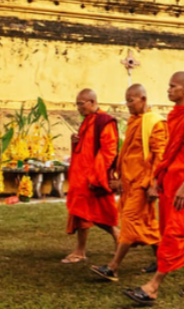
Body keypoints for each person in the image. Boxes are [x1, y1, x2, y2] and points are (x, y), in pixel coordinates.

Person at [124, 72, 184, 305]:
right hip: (173, 182)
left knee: (175, 231)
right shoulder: (175, 115)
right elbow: (171, 153)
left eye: (173, 86)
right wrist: (159, 179)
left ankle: (153, 286)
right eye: (169, 86)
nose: (168, 90)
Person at [91, 84, 167, 281]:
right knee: (147, 225)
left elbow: (160, 156)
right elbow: (128, 153)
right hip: (130, 182)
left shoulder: (155, 123)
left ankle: (113, 267)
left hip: (143, 183)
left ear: (143, 98)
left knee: (130, 222)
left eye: (131, 100)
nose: (128, 105)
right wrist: (118, 173)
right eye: (126, 101)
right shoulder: (134, 121)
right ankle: (163, 260)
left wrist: (154, 184)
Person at [62, 89, 119, 264]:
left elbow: (108, 151)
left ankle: (83, 250)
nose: (78, 107)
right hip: (81, 176)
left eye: (81, 103)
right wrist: (75, 141)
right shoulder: (88, 121)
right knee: (83, 213)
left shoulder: (105, 121)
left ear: (93, 102)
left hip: (93, 177)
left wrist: (96, 177)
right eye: (77, 104)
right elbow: (86, 148)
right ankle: (115, 237)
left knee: (93, 213)